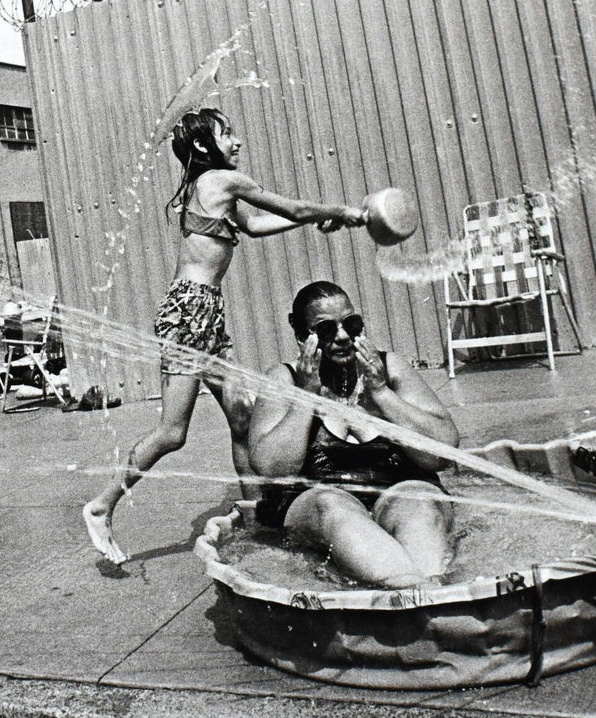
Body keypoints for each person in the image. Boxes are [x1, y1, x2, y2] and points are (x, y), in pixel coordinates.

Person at [82, 107, 368, 564]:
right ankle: (101, 505)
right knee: (173, 432)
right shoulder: (218, 180)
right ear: (202, 145)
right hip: (189, 313)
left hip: (206, 314)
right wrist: (344, 212)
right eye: (227, 133)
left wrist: (313, 220)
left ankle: (261, 519)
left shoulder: (215, 190)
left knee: (242, 419)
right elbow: (291, 206)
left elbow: (256, 226)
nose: (237, 141)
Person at [249, 280, 460, 588]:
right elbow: (272, 470)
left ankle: (431, 591)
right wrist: (307, 395)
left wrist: (381, 392)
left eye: (351, 324)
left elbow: (443, 452)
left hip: (398, 492)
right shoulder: (286, 380)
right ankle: (411, 587)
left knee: (420, 502)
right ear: (301, 335)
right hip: (321, 505)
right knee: (331, 505)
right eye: (326, 330)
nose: (343, 336)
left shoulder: (389, 368)